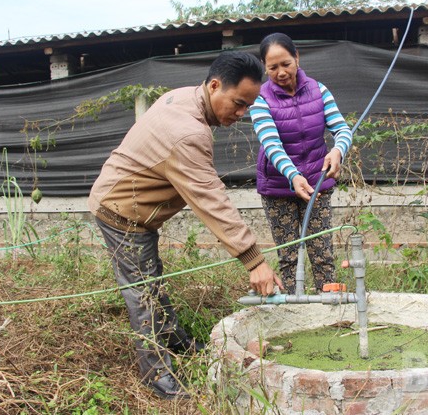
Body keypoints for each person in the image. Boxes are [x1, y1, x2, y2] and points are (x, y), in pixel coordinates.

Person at [88, 51, 283, 400]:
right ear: (214, 85)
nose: (240, 114)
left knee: (151, 278)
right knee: (143, 292)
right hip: (121, 212)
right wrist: (255, 260)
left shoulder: (181, 97)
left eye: (247, 107)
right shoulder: (188, 133)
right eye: (238, 103)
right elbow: (212, 201)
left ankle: (178, 341)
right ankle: (158, 376)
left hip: (126, 201)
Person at [249, 33, 353, 294]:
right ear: (264, 67)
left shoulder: (319, 90)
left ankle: (331, 309)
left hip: (318, 183)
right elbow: (271, 144)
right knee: (289, 256)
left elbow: (343, 130)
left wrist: (338, 151)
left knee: (322, 253)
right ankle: (293, 311)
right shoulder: (259, 99)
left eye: (285, 64)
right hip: (278, 187)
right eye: (272, 68)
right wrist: (293, 176)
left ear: (297, 57)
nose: (281, 72)